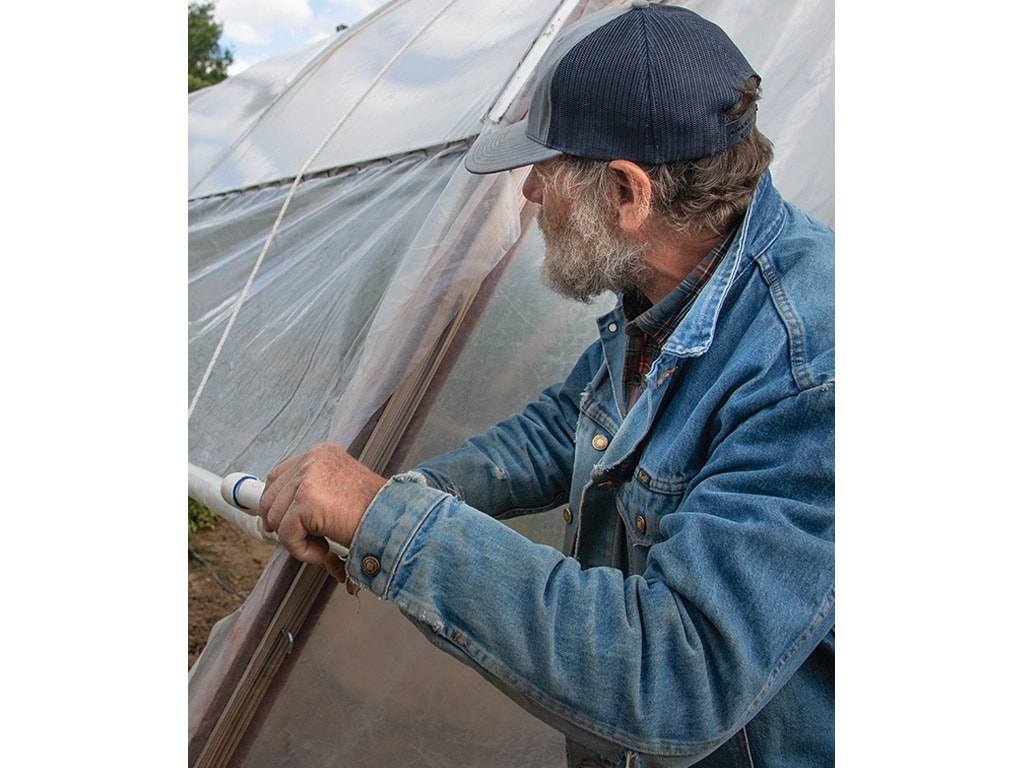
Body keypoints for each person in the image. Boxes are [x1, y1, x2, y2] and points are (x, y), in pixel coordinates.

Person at [258, 3, 835, 766]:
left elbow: (678, 674)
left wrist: (382, 514)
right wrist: (404, 488)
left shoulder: (815, 368)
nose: (529, 191)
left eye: (548, 168)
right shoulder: (673, 290)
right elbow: (566, 419)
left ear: (631, 195)